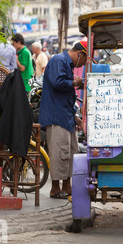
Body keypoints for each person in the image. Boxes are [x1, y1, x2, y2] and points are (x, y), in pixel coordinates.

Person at [39, 40, 87, 199]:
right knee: (59, 152)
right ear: (80, 54)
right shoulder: (58, 60)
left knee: (71, 151)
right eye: (85, 60)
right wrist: (75, 82)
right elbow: (58, 83)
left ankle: (67, 186)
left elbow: (67, 96)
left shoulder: (67, 64)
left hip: (66, 115)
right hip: (56, 115)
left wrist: (75, 116)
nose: (83, 64)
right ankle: (54, 188)